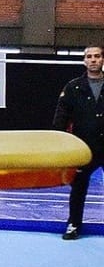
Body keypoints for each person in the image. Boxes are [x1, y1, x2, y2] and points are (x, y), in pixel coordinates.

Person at [53, 44, 104, 240]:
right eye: (89, 56)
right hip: (84, 148)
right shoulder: (73, 87)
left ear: (102, 60)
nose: (93, 60)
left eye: (97, 56)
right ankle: (73, 225)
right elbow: (61, 117)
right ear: (84, 61)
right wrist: (58, 141)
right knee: (78, 189)